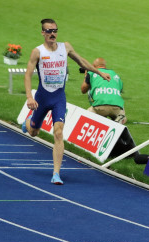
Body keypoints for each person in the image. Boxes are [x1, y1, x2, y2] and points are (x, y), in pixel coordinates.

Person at [22, 18, 110, 185]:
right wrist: (29, 96)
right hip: (42, 96)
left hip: (58, 97)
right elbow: (28, 74)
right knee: (34, 132)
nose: (52, 34)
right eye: (49, 31)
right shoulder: (37, 52)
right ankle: (29, 123)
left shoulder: (66, 47)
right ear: (43, 33)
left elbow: (82, 62)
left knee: (58, 132)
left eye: (55, 30)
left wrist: (98, 72)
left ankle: (56, 173)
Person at [80, 57, 126, 124]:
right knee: (122, 115)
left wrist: (86, 76)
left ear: (93, 66)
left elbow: (83, 90)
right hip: (116, 107)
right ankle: (120, 119)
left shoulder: (91, 73)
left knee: (85, 117)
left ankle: (100, 118)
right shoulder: (115, 74)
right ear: (104, 65)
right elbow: (120, 89)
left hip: (99, 107)